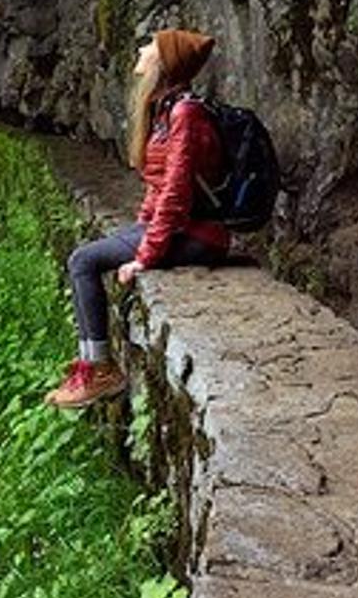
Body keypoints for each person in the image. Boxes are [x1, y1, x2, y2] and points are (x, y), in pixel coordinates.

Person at [44, 28, 230, 409]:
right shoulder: (166, 109)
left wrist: (146, 256)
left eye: (151, 45)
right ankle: (90, 363)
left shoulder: (185, 114)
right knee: (96, 249)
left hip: (199, 234)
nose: (142, 48)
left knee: (82, 260)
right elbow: (158, 184)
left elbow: (177, 192)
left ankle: (99, 370)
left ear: (163, 61)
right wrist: (141, 226)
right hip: (181, 227)